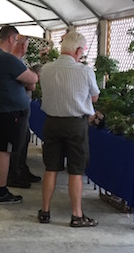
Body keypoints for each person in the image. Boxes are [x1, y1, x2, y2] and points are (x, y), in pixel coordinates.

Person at [38, 30, 100, 227]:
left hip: (51, 122)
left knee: (51, 168)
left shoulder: (46, 69)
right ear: (78, 50)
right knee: (75, 170)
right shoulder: (85, 71)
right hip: (75, 124)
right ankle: (76, 215)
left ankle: (45, 211)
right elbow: (94, 97)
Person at [0, 25, 38, 204]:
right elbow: (32, 79)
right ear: (11, 39)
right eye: (16, 40)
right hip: (6, 111)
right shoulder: (5, 58)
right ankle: (2, 192)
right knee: (4, 151)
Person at [7, 34, 42, 188]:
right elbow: (31, 84)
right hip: (17, 108)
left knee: (24, 139)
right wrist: (32, 77)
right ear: (22, 45)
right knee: (18, 142)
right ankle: (14, 175)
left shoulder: (17, 61)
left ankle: (21, 169)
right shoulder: (15, 62)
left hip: (20, 106)